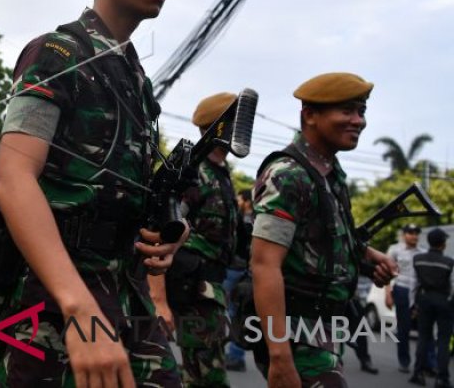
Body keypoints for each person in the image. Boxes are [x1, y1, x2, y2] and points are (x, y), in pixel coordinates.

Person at [0, 0, 187, 387]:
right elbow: (14, 177)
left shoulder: (135, 77)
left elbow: (131, 187)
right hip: (53, 292)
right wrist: (77, 308)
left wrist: (170, 230)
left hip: (126, 287)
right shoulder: (56, 53)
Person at [250, 72, 396, 387]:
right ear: (310, 116)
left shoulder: (331, 172)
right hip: (296, 332)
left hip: (326, 327)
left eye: (361, 111)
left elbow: (327, 239)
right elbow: (264, 265)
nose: (358, 121)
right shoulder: (288, 175)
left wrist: (370, 259)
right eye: (346, 111)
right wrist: (279, 355)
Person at [149, 92, 240, 387]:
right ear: (219, 126)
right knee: (207, 377)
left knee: (200, 375)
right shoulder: (195, 173)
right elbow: (159, 231)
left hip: (212, 289)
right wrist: (159, 301)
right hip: (192, 289)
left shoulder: (221, 173)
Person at [408, 228, 454, 388]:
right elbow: (453, 286)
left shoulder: (418, 259)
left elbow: (413, 284)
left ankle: (418, 373)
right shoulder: (450, 262)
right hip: (444, 302)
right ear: (442, 244)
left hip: (424, 300)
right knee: (443, 340)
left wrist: (413, 304)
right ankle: (442, 379)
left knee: (423, 338)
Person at [386, 223, 425, 373]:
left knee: (423, 329)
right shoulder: (394, 250)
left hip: (419, 293)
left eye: (416, 233)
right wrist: (388, 294)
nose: (414, 235)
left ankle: (424, 364)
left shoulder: (423, 252)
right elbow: (387, 274)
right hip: (401, 290)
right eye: (411, 232)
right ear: (404, 234)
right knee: (403, 329)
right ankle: (404, 361)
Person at [224, 189, 254, 372]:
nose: (237, 200)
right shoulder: (254, 217)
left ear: (246, 201)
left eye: (240, 198)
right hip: (241, 271)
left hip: (237, 270)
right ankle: (234, 354)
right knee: (237, 313)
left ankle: (233, 354)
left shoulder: (246, 219)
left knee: (228, 311)